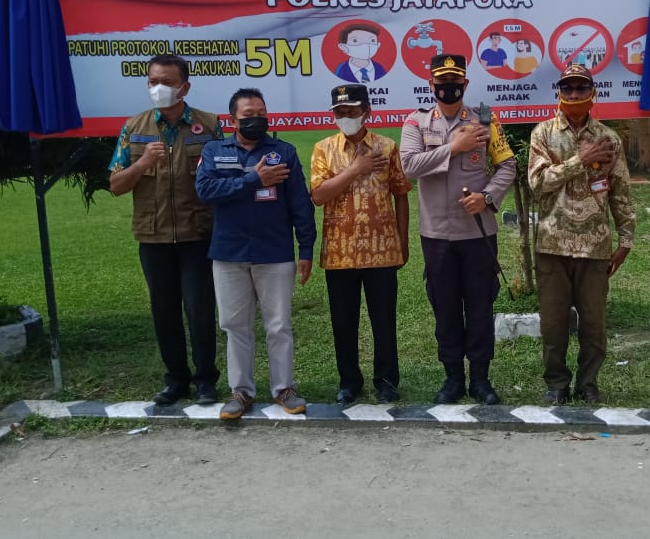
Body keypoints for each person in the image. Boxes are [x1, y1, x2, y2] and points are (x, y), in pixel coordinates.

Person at [400, 54, 516, 405]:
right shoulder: (416, 123)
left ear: (464, 85)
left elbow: (508, 165)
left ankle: (481, 378)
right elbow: (408, 166)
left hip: (478, 232)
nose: (448, 87)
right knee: (446, 307)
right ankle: (452, 377)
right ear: (431, 84)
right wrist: (454, 147)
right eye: (441, 82)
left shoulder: (485, 121)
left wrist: (487, 197)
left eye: (455, 82)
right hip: (436, 234)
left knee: (480, 306)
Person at [195, 88, 317, 419]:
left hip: (275, 252)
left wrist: (306, 248)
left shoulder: (284, 152)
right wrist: (253, 179)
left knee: (278, 325)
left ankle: (284, 389)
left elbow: (300, 206)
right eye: (248, 115)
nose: (256, 119)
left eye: (261, 113)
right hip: (229, 253)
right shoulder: (214, 149)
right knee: (235, 325)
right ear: (232, 119)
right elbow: (205, 191)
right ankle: (241, 392)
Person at [109, 54, 221, 406]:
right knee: (164, 311)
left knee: (200, 311)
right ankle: (176, 380)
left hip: (198, 235)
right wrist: (143, 163)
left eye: (168, 83)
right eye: (153, 81)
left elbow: (224, 178)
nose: (159, 88)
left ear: (184, 87)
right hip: (153, 237)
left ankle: (206, 380)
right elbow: (116, 185)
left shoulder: (210, 125)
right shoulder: (134, 128)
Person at [527, 63, 635, 405]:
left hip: (595, 245)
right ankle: (556, 382)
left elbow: (620, 191)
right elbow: (537, 185)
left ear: (593, 93)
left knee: (594, 323)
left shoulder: (610, 139)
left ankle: (588, 382)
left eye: (581, 88)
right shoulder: (543, 134)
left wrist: (626, 238)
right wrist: (580, 159)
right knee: (553, 323)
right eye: (568, 88)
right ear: (559, 92)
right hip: (552, 244)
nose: (574, 95)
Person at [310, 84, 411, 404]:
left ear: (367, 111)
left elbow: (401, 194)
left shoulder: (387, 146)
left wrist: (402, 239)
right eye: (340, 112)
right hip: (340, 252)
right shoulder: (323, 149)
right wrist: (356, 169)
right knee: (343, 321)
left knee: (383, 320)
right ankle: (349, 381)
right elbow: (318, 195)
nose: (345, 117)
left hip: (382, 249)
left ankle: (387, 381)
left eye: (352, 112)